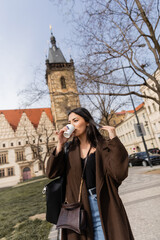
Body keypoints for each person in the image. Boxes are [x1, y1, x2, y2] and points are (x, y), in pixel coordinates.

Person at [46, 107, 134, 240]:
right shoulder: (69, 149)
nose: (71, 125)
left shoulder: (103, 145)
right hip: (78, 208)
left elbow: (119, 173)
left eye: (75, 120)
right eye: (69, 122)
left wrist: (114, 138)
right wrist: (60, 144)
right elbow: (51, 173)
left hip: (105, 204)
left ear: (87, 122)